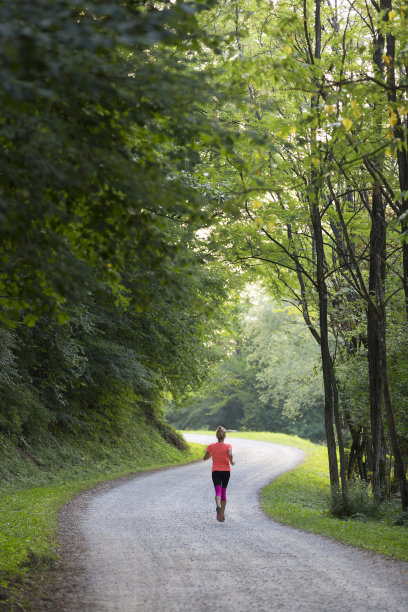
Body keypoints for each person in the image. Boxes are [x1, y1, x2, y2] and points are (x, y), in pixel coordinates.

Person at [203, 426, 235, 522]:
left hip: (216, 471)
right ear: (224, 436)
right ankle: (222, 514)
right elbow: (229, 453)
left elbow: (206, 457)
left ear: (217, 436)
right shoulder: (228, 446)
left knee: (218, 491)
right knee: (223, 492)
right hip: (226, 471)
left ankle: (218, 506)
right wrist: (231, 461)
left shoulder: (211, 446)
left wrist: (210, 455)